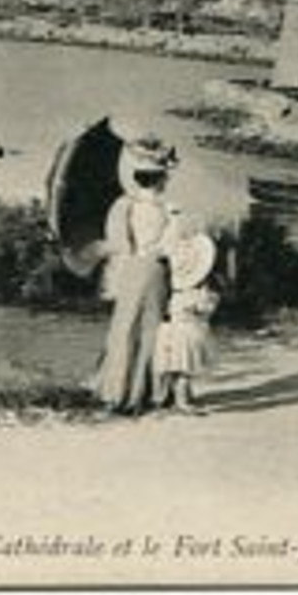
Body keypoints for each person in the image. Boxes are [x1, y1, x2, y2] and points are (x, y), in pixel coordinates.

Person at [93, 135, 181, 414]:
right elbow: (172, 246)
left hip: (132, 267)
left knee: (124, 326)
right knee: (152, 330)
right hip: (155, 270)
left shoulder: (124, 205)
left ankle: (115, 391)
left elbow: (118, 243)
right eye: (165, 177)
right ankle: (144, 394)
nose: (167, 181)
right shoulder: (169, 210)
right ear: (158, 180)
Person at [153, 233, 219, 414]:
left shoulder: (176, 293)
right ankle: (182, 402)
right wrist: (209, 299)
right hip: (188, 335)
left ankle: (176, 397)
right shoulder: (197, 294)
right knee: (185, 371)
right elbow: (205, 309)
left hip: (171, 333)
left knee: (176, 369)